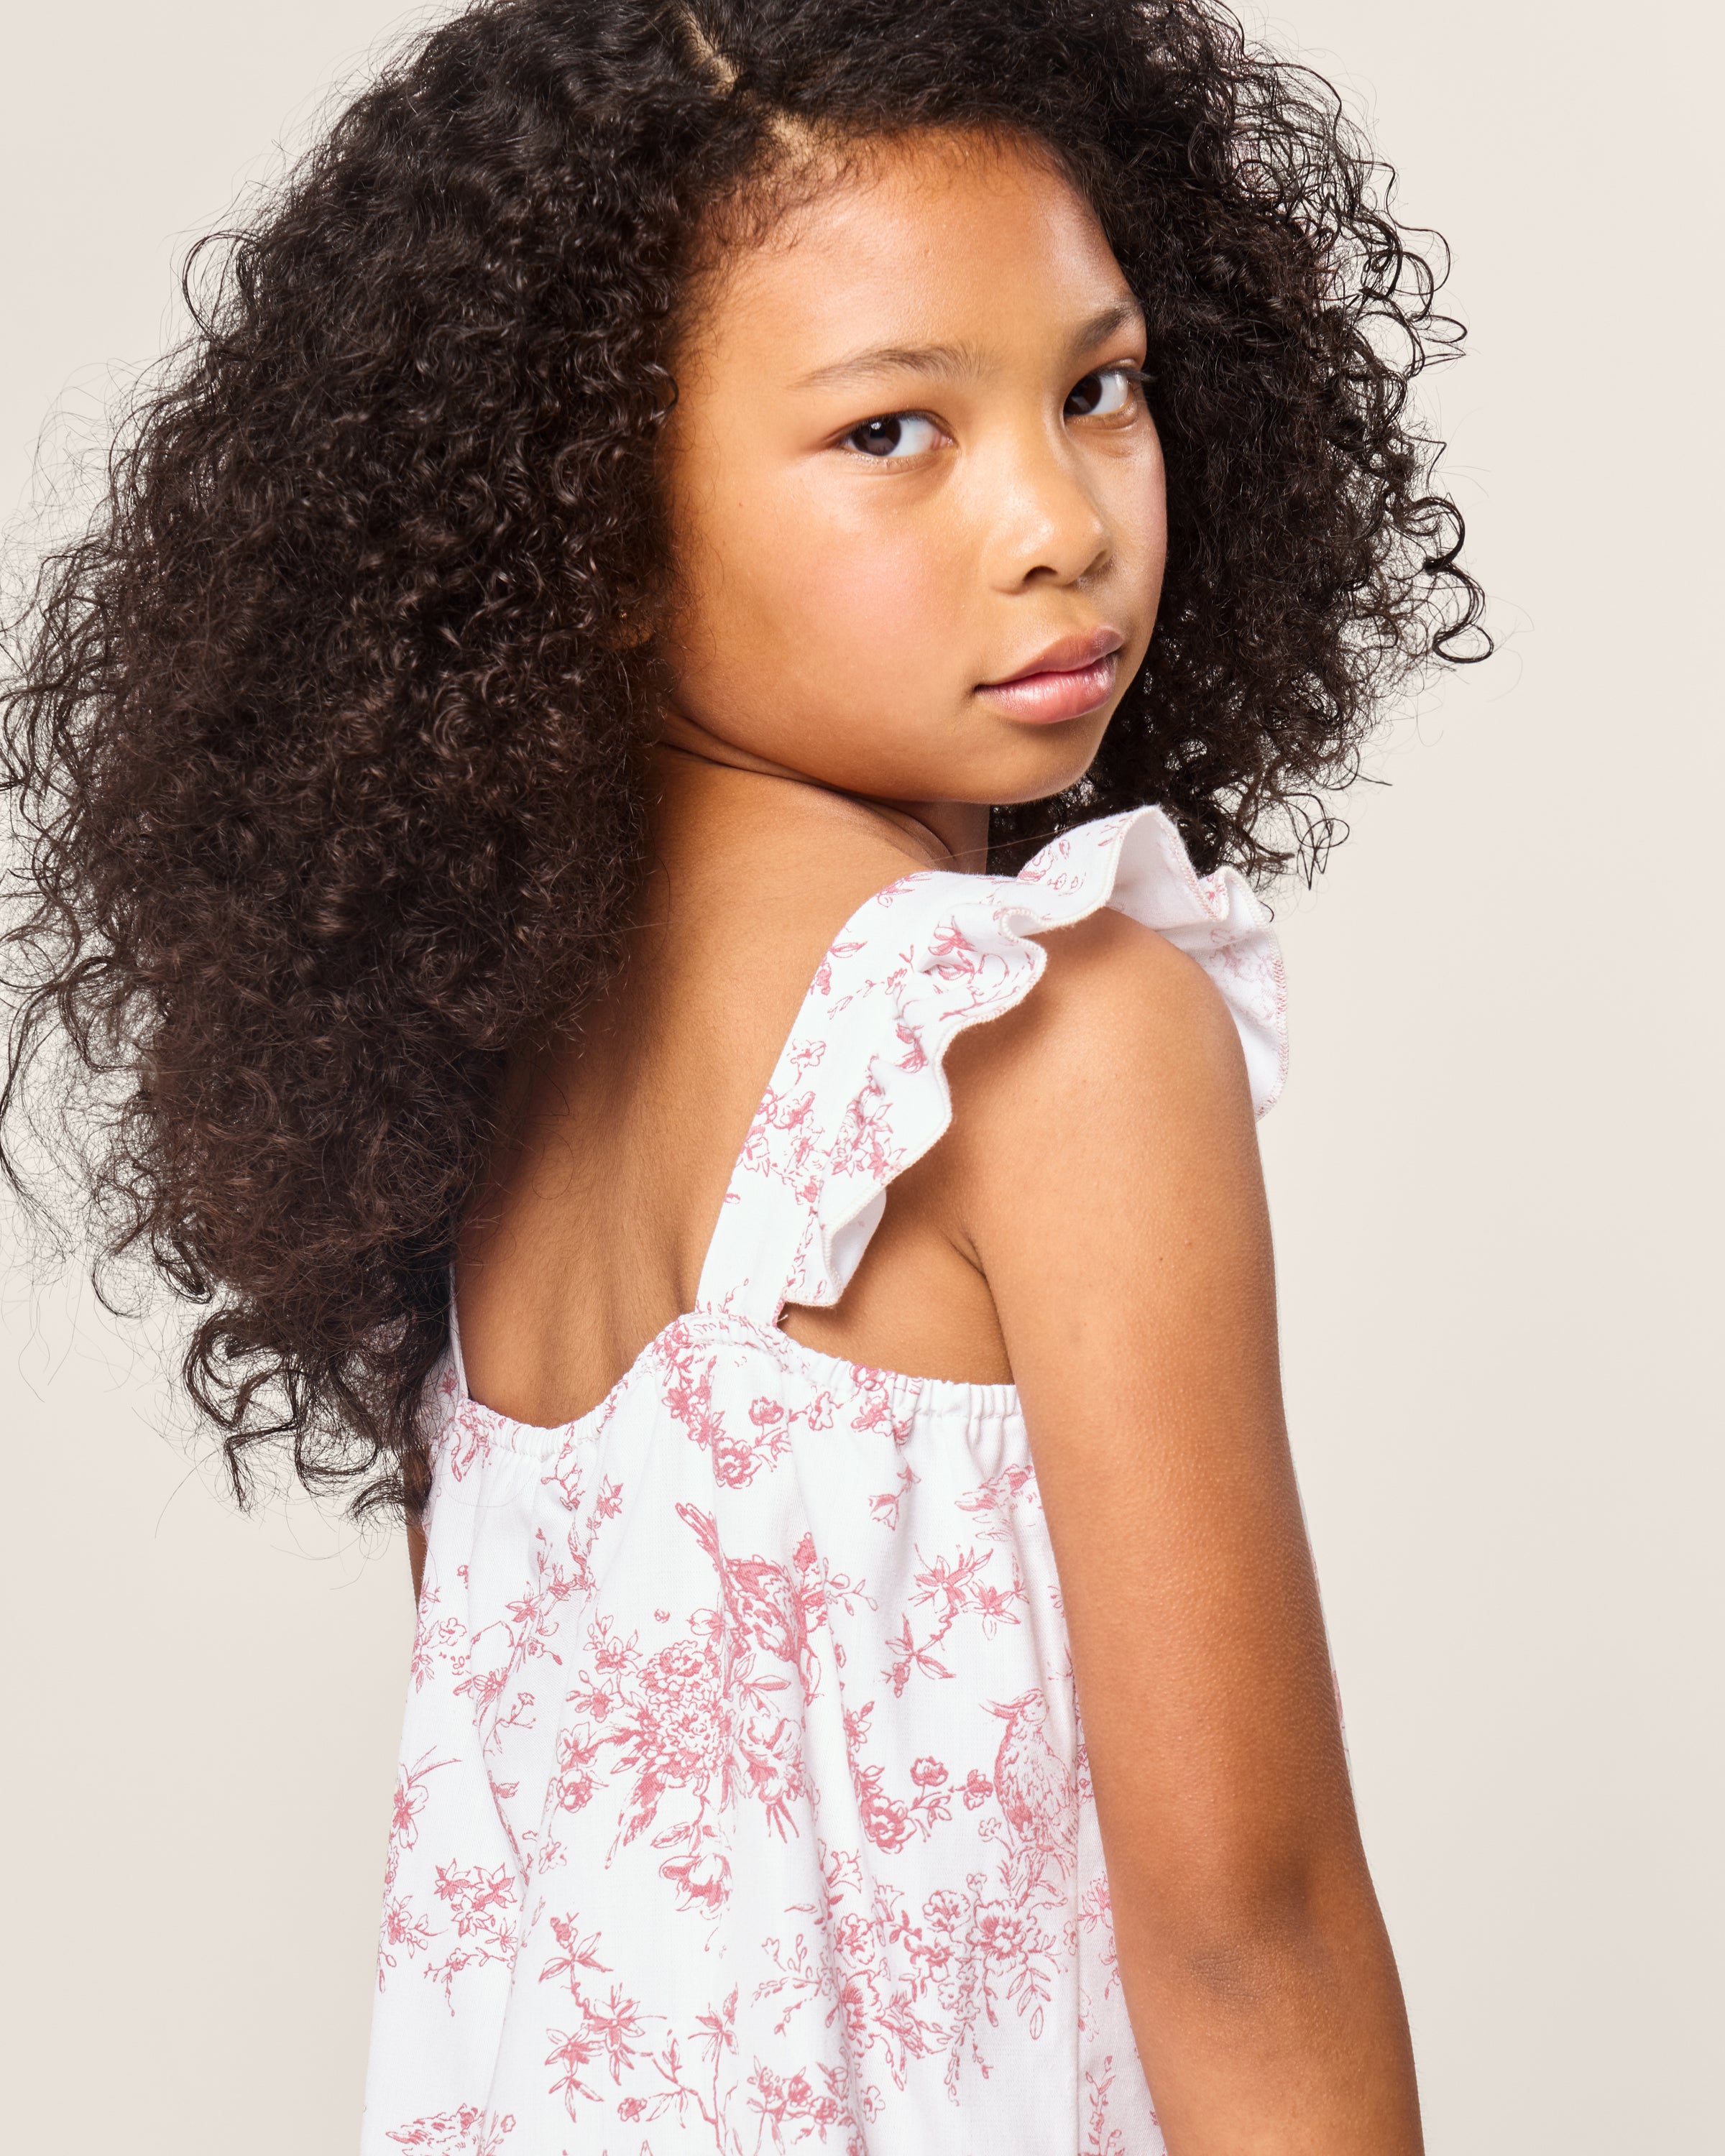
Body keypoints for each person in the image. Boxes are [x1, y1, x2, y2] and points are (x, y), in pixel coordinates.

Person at [0, 2, 1486, 2149]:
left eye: (1099, 389)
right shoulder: (1047, 1036)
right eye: (895, 433)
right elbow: (1246, 1925)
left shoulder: (489, 1096)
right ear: (591, 528)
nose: (1059, 519)